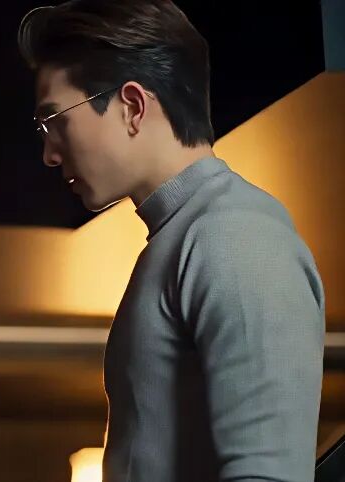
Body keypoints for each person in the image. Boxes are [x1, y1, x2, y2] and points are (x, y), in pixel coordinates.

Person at [17, 1, 325, 480]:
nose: (49, 154)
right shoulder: (185, 237)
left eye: (55, 121)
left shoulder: (236, 235)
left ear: (132, 106)